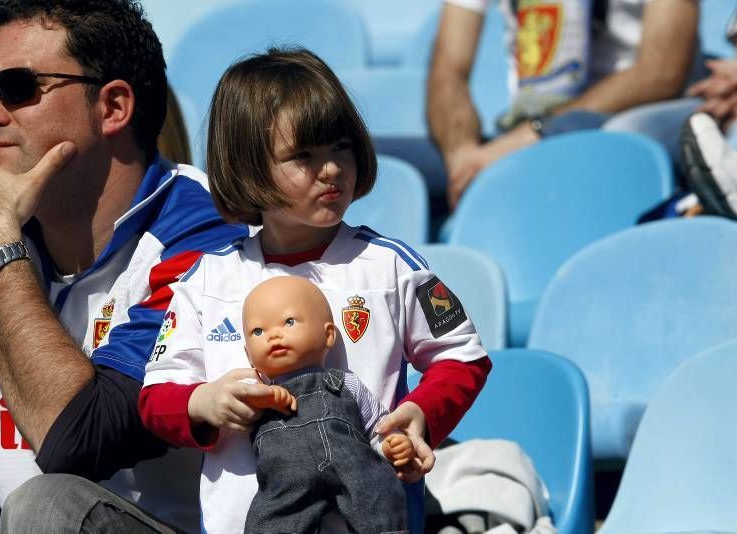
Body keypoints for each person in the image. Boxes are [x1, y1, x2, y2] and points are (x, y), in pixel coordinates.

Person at [138, 47, 492, 534]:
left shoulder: (390, 265)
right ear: (249, 166)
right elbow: (156, 396)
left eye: (340, 147)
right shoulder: (206, 280)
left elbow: (463, 358)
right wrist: (203, 404)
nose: (331, 170)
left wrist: (419, 417)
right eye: (303, 156)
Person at [0, 0, 246, 532]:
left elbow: (74, 438)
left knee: (46, 503)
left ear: (113, 107)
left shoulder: (211, 244)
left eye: (16, 87)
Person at [428, 0, 703, 209]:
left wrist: (535, 134)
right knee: (392, 164)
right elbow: (448, 72)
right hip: (519, 132)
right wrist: (460, 155)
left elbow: (661, 74)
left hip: (631, 118)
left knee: (618, 133)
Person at [240, 276, 415, 532]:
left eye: (289, 322)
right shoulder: (257, 392)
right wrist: (259, 400)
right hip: (287, 480)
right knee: (269, 518)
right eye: (258, 331)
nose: (273, 335)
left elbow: (377, 423)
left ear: (328, 335)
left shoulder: (346, 383)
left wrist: (390, 444)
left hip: (352, 464)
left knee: (378, 489)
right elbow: (238, 417)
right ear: (248, 355)